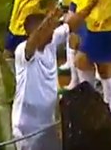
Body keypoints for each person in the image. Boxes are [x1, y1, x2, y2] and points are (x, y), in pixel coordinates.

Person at [12, 8, 71, 150]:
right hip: (26, 128)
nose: (51, 31)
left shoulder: (51, 42)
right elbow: (34, 41)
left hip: (48, 124)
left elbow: (72, 25)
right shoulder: (22, 51)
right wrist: (49, 20)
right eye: (45, 29)